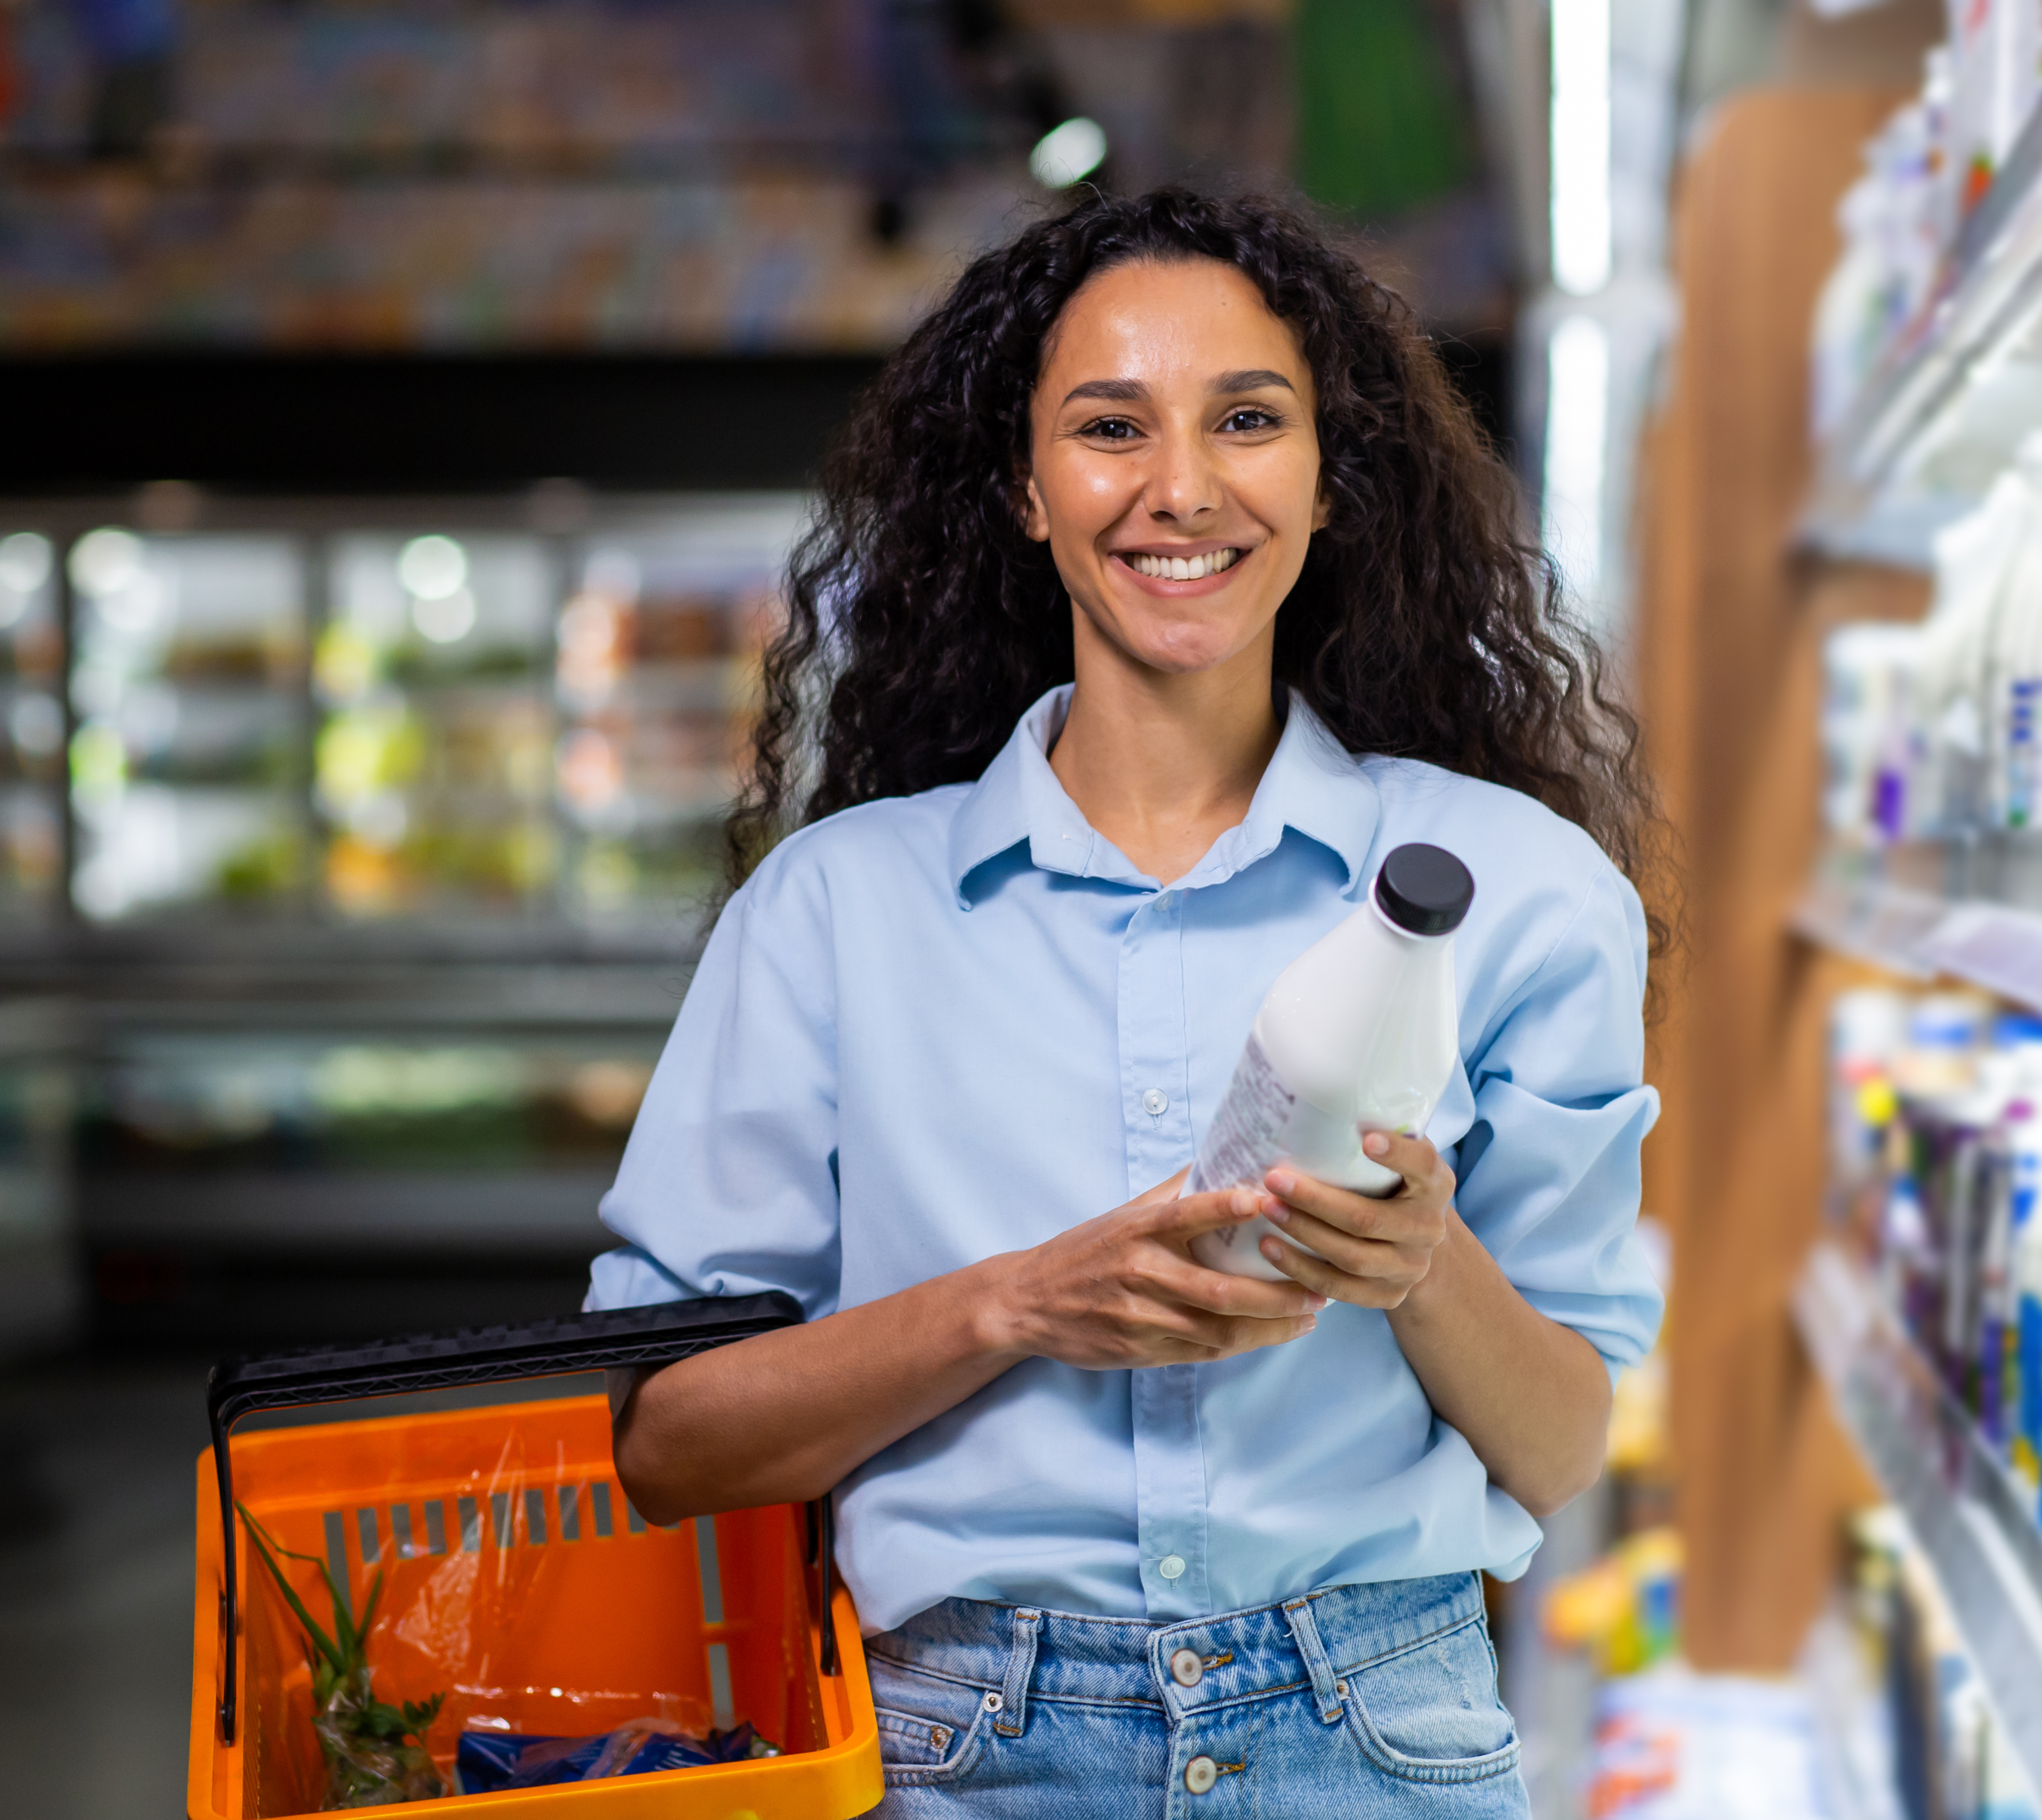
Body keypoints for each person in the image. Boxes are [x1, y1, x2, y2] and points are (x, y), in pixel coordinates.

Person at [588, 188, 1665, 1814]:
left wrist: (1421, 1265)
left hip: (1380, 1742)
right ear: (1024, 490)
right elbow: (668, 1444)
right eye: (1110, 427)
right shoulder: (837, 910)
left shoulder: (1510, 891)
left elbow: (1564, 1443)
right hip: (960, 1749)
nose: (1183, 488)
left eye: (1248, 419)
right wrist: (1014, 1307)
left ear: (1327, 474)